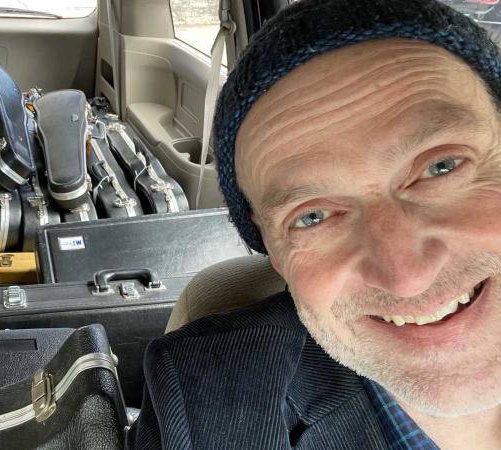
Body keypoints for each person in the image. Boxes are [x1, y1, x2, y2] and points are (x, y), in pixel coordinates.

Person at [127, 0, 501, 448]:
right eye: (312, 216)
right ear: (276, 256)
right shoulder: (204, 401)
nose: (406, 277)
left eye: (441, 166)